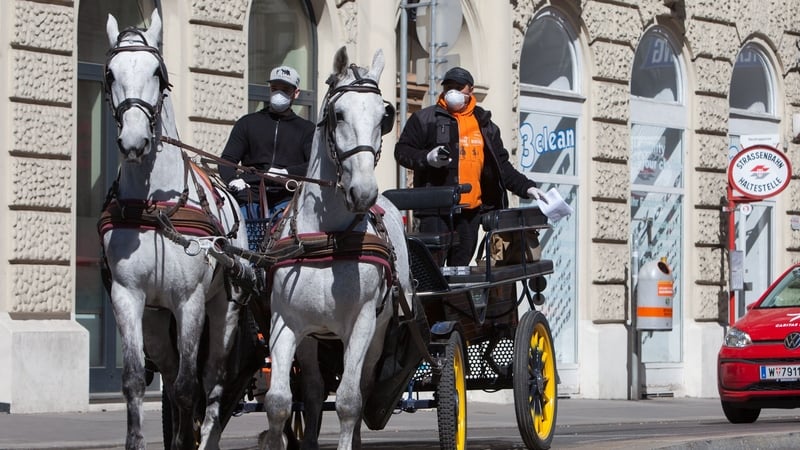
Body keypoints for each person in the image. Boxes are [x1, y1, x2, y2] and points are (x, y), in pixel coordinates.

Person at [394, 66, 544, 266]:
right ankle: (432, 299)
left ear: (470, 91)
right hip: (434, 211)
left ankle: (455, 299)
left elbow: (502, 167)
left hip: (470, 213)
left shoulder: (485, 125)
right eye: (448, 87)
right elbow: (402, 151)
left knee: (461, 269)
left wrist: (527, 187)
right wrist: (427, 158)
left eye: (458, 87)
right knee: (431, 268)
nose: (452, 92)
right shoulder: (425, 119)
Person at [219, 65, 315, 220]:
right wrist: (232, 180)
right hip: (250, 197)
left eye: (285, 89)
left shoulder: (307, 129)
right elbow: (227, 160)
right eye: (275, 88)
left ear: (296, 93)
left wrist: (286, 173)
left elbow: (313, 165)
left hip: (288, 198)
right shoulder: (247, 123)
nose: (279, 93)